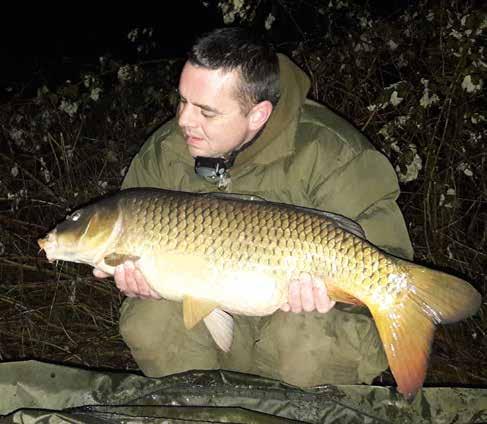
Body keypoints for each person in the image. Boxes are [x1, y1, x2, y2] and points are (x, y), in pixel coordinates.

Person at [94, 27, 413, 387]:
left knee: (308, 341)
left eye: (206, 112)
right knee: (149, 320)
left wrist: (337, 298)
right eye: (182, 101)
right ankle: (206, 409)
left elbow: (388, 253)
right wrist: (144, 281)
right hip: (219, 323)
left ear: (258, 115)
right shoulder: (165, 152)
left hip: (300, 327)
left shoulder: (332, 151)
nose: (184, 120)